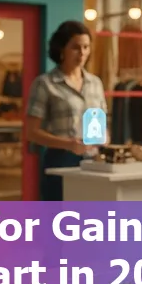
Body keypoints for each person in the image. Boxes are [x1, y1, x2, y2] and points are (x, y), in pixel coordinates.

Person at [25, 20, 107, 201]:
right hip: (60, 161)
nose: (82, 53)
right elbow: (31, 132)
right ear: (61, 49)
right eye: (76, 47)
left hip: (94, 162)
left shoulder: (95, 83)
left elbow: (103, 124)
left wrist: (105, 139)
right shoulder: (45, 84)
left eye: (86, 47)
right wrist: (68, 144)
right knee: (59, 215)